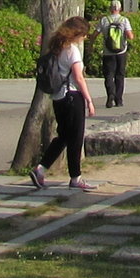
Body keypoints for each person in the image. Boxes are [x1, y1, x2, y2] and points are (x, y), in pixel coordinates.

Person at [31, 15, 95, 191]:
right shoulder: (72, 50)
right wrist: (89, 100)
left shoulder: (56, 48)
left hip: (58, 98)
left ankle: (41, 169)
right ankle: (76, 177)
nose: (84, 38)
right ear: (77, 34)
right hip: (72, 96)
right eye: (83, 35)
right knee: (76, 138)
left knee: (64, 136)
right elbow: (78, 77)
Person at [98, 0, 134, 107]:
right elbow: (130, 36)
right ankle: (119, 100)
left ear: (110, 8)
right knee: (120, 75)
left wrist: (90, 45)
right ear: (120, 9)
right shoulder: (124, 20)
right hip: (121, 52)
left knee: (109, 75)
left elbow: (95, 33)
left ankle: (110, 96)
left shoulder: (104, 20)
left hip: (108, 52)